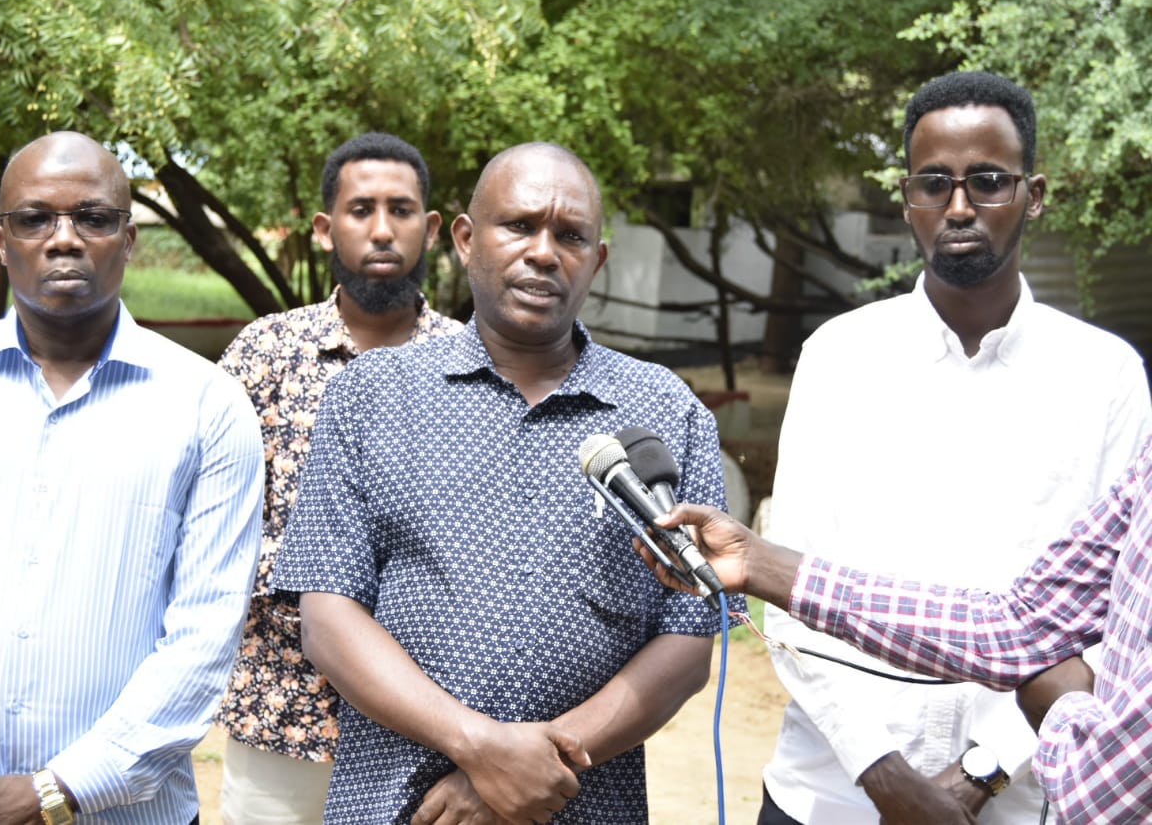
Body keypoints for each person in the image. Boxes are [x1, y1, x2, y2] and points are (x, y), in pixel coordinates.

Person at [271, 141, 747, 824]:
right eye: (519, 226)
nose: (544, 252)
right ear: (465, 239)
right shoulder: (370, 396)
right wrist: (482, 748)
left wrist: (535, 770)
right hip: (400, 805)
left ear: (598, 260)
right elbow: (327, 616)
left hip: (583, 803)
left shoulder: (667, 414)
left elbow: (687, 641)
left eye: (571, 235)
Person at [758, 70, 1151, 825]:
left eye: (988, 181)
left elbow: (1112, 621)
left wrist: (982, 774)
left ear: (1034, 194)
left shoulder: (1106, 377)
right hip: (830, 794)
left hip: (1017, 802)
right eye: (934, 182)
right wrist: (885, 775)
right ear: (907, 197)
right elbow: (790, 587)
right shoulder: (838, 357)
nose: (960, 206)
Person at [0, 131, 264, 823]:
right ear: (1, 240)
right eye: (34, 218)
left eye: (93, 216)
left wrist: (55, 790)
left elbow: (205, 635)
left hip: (124, 812)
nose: (64, 238)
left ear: (128, 237)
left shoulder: (209, 406)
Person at [635, 430, 1152, 825]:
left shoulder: (1109, 370)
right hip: (829, 792)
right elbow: (1019, 625)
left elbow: (1101, 792)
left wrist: (1047, 719)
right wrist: (758, 565)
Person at [213, 132, 463, 824]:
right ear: (326, 228)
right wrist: (325, 579)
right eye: (360, 210)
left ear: (432, 229)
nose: (382, 230)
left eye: (402, 210)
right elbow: (208, 525)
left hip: (426, 725)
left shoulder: (471, 367)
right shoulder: (264, 354)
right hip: (279, 717)